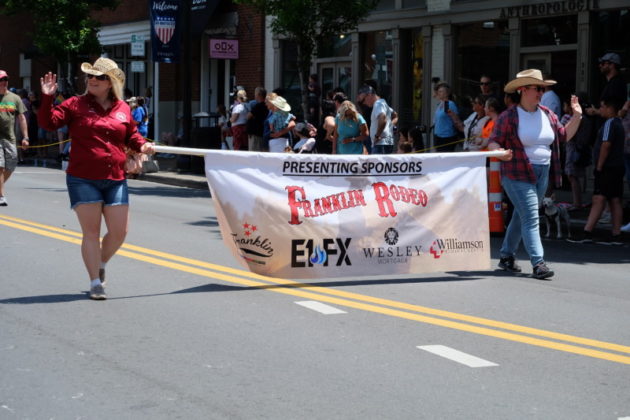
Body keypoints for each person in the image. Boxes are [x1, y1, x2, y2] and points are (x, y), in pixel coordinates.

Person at [38, 58, 155, 300]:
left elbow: (132, 135)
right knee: (91, 232)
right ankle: (95, 283)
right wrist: (48, 97)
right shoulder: (75, 104)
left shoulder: (123, 108)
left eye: (99, 77)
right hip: (83, 178)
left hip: (115, 177)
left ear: (110, 82)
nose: (92, 80)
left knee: (120, 231)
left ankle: (100, 261)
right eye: (90, 76)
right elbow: (48, 123)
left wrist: (143, 146)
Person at [488, 69, 582, 280]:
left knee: (521, 215)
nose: (540, 92)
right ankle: (538, 263)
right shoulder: (509, 116)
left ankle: (506, 256)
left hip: (542, 172)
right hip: (516, 172)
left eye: (541, 88)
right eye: (536, 88)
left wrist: (578, 115)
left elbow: (564, 135)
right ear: (522, 90)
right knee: (531, 216)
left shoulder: (548, 114)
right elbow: (493, 140)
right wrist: (500, 153)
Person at [571, 97, 625, 244]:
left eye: (602, 107)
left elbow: (606, 145)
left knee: (599, 198)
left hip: (608, 167)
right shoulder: (619, 123)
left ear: (609, 108)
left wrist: (599, 166)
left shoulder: (609, 123)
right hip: (617, 167)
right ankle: (616, 234)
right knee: (615, 199)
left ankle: (587, 231)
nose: (600, 110)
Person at [0, 69, 29, 206]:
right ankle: (1, 196)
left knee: (11, 164)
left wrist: (26, 137)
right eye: (1, 80)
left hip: (10, 138)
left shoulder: (15, 98)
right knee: (0, 166)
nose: (3, 82)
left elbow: (22, 118)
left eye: (5, 79)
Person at [560, 93, 593, 210]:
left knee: (572, 175)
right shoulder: (584, 118)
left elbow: (564, 133)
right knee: (574, 175)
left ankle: (576, 203)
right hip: (578, 149)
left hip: (573, 149)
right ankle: (577, 202)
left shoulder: (572, 118)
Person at [585, 53, 627, 118]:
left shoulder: (616, 84)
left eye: (603, 63)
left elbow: (612, 112)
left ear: (612, 65)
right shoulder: (612, 83)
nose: (600, 65)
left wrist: (595, 111)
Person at [356, 85, 396, 154]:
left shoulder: (378, 104)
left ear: (369, 95)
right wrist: (390, 126)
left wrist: (377, 136)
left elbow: (383, 119)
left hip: (380, 144)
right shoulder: (382, 103)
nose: (364, 103)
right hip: (384, 143)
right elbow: (395, 115)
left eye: (363, 100)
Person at [432, 82, 461, 152]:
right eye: (438, 91)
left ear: (447, 93)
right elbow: (434, 94)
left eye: (441, 91)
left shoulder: (450, 104)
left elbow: (456, 119)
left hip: (447, 137)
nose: (439, 93)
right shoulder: (440, 104)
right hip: (438, 136)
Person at [246, 87, 267, 152]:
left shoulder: (258, 106)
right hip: (258, 134)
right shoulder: (264, 106)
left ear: (259, 94)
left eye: (255, 93)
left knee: (254, 153)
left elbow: (248, 116)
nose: (254, 95)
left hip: (256, 135)